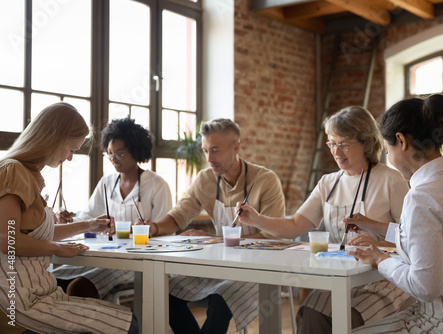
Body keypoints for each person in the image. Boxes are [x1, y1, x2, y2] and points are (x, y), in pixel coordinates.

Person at [237, 106, 414, 333]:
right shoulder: (328, 183)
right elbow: (294, 226)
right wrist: (258, 220)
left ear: (366, 143)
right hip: (341, 278)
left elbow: (413, 239)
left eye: (344, 144)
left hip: (384, 278)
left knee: (350, 319)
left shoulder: (391, 180)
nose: (336, 152)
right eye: (332, 143)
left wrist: (377, 244)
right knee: (312, 313)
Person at [346, 94, 443, 334]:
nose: (390, 159)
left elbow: (424, 287)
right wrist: (374, 226)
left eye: (387, 150)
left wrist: (379, 258)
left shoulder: (421, 196)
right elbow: (426, 238)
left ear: (401, 140)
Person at [0, 102, 138, 333]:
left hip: (35, 292)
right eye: (72, 150)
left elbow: (34, 234)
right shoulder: (13, 171)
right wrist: (55, 248)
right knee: (129, 326)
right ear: (52, 139)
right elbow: (6, 239)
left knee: (129, 322)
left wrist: (88, 225)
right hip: (16, 302)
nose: (71, 158)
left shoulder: (26, 175)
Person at [140, 118, 286, 334]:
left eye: (215, 150)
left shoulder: (265, 180)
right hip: (219, 266)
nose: (209, 158)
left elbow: (273, 237)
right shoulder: (205, 180)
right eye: (206, 150)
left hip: (260, 269)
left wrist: (216, 240)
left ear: (236, 147)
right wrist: (154, 228)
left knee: (222, 297)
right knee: (165, 291)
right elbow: (179, 215)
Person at [52, 117, 172, 299]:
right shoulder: (107, 183)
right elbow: (88, 217)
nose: (113, 159)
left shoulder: (156, 185)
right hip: (104, 258)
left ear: (136, 150)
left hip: (139, 262)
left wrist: (146, 229)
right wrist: (69, 220)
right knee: (55, 280)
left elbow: (166, 232)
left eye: (120, 153)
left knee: (80, 287)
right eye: (109, 153)